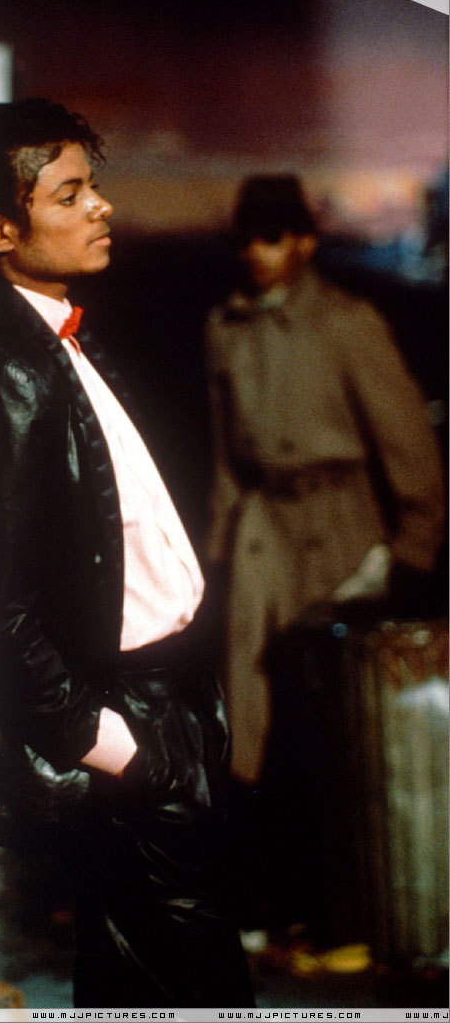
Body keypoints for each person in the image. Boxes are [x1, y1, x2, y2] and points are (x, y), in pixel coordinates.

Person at [0, 98, 254, 1008]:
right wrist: (117, 749)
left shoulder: (62, 334)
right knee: (194, 987)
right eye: (68, 195)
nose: (100, 206)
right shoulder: (15, 368)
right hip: (133, 716)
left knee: (145, 979)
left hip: (173, 699)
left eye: (92, 186)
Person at [204, 174, 445, 928]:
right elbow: (224, 452)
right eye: (245, 239)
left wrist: (409, 552)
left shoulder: (347, 322)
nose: (256, 252)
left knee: (332, 719)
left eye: (272, 237)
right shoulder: (226, 325)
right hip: (262, 535)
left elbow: (408, 443)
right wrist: (215, 553)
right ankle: (262, 892)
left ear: (305, 243)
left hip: (339, 530)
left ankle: (335, 898)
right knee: (248, 715)